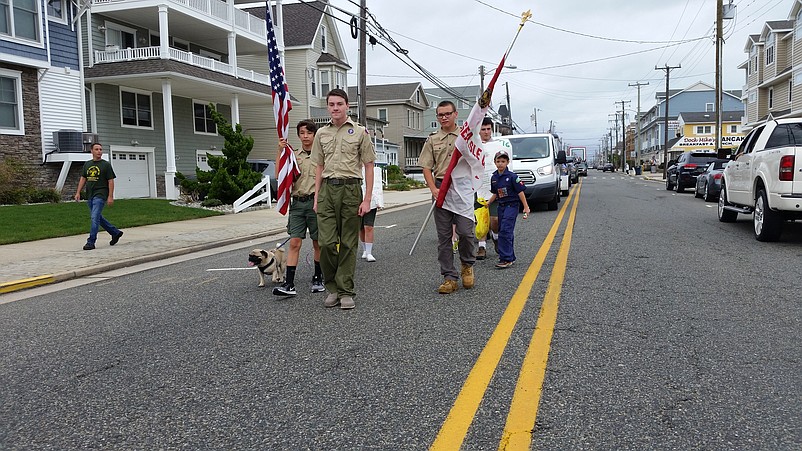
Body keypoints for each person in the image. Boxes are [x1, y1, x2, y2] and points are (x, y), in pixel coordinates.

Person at [311, 88, 376, 310]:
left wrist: (367, 199)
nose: (335, 108)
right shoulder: (321, 134)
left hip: (350, 189)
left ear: (347, 106)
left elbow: (368, 166)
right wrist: (317, 196)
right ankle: (333, 287)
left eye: (339, 104)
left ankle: (345, 291)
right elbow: (319, 166)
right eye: (331, 104)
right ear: (328, 107)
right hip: (328, 190)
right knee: (327, 242)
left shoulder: (360, 132)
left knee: (348, 242)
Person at [419, 100, 476, 294]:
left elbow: (477, 160)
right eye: (440, 115)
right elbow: (426, 166)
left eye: (447, 114)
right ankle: (449, 276)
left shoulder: (466, 136)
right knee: (443, 237)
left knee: (466, 232)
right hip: (441, 188)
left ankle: (467, 265)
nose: (444, 117)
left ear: (455, 114)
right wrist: (433, 188)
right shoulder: (432, 139)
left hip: (462, 188)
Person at [273, 120, 325, 297]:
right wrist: (280, 150)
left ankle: (318, 277)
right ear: (298, 135)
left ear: (315, 134)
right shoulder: (294, 155)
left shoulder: (321, 156)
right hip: (298, 203)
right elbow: (279, 174)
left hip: (316, 203)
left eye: (309, 133)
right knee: (295, 242)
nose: (306, 136)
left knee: (318, 242)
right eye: (302, 133)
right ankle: (289, 283)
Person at [73, 143, 123, 251]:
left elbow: (110, 181)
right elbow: (83, 179)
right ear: (92, 151)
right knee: (97, 218)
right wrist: (78, 192)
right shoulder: (87, 164)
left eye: (100, 149)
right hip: (90, 194)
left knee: (94, 217)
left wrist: (110, 196)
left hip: (100, 195)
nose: (99, 151)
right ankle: (115, 233)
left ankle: (91, 242)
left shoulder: (106, 165)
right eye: (96, 149)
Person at [487, 151, 529, 268]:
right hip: (501, 206)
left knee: (505, 230)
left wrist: (526, 207)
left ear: (507, 162)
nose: (500, 164)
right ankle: (510, 256)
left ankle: (506, 258)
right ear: (495, 163)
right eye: (498, 161)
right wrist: (489, 202)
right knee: (503, 231)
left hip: (512, 205)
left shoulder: (512, 177)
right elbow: (496, 193)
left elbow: (520, 192)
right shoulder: (494, 178)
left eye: (503, 161)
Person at [476, 117, 503, 259]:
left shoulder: (498, 145)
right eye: (483, 129)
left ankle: (496, 237)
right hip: (479, 187)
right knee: (481, 219)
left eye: (488, 129)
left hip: (493, 187)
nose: (486, 132)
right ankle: (482, 247)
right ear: (478, 130)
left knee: (495, 220)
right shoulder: (474, 145)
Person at [359, 166, 384, 262]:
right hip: (357, 199)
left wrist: (378, 200)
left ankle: (369, 252)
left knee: (368, 226)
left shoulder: (373, 170)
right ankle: (365, 249)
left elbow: (377, 185)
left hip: (370, 200)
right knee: (361, 227)